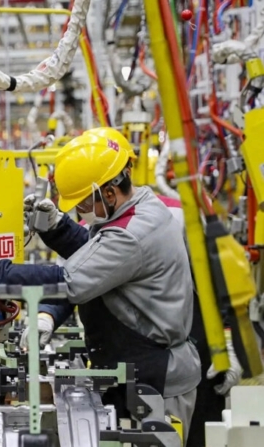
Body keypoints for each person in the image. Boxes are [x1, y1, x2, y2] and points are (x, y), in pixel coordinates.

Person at [0, 134, 201, 438]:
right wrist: (57, 229)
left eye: (83, 204)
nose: (79, 213)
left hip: (156, 381)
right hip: (133, 368)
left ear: (108, 192)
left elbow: (71, 281)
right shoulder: (138, 208)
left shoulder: (132, 234)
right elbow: (97, 256)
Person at [84, 127, 232, 446]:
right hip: (149, 361)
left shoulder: (178, 216)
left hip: (195, 351)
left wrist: (229, 350)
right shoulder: (98, 222)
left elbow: (225, 286)